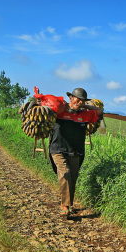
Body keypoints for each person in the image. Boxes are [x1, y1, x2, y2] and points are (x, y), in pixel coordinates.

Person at [48, 88, 103, 216]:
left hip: (76, 151)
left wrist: (88, 106)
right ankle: (64, 205)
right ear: (71, 98)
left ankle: (69, 204)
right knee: (65, 173)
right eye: (78, 99)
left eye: (83, 100)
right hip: (58, 149)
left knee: (73, 178)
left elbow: (100, 111)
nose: (80, 102)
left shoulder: (85, 115)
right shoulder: (59, 112)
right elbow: (46, 107)